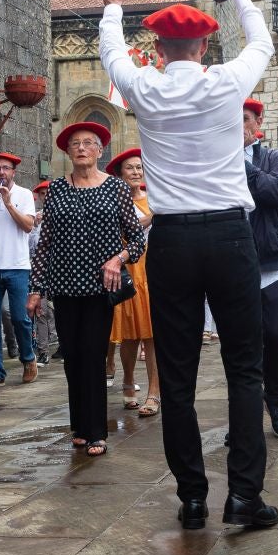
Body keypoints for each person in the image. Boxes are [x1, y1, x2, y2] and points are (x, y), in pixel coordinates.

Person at [98, 0, 278, 530]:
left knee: (176, 377)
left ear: (159, 45)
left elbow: (111, 56)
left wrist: (112, 3)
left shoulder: (144, 85)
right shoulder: (226, 81)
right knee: (243, 370)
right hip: (229, 235)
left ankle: (193, 496)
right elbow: (264, 43)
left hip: (172, 238)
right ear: (203, 45)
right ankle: (244, 495)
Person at [28, 122, 145, 458]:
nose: (81, 148)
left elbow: (136, 240)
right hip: (64, 288)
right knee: (73, 359)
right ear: (67, 152)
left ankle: (96, 431)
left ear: (99, 150)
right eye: (75, 144)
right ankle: (79, 426)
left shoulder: (117, 189)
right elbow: (45, 244)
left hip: (100, 288)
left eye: (88, 143)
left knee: (94, 357)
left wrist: (117, 260)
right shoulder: (57, 191)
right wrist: (36, 289)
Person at [242, 98, 278, 439]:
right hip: (232, 262)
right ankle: (243, 414)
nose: (237, 125)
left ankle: (276, 400)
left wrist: (239, 162)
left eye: (243, 118)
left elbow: (277, 192)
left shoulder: (274, 158)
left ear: (257, 123)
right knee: (242, 344)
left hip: (273, 261)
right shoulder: (215, 161)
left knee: (276, 336)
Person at [106, 147, 160, 416]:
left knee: (152, 336)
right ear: (119, 173)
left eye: (139, 167)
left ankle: (153, 392)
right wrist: (157, 213)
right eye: (130, 168)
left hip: (153, 272)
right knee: (128, 336)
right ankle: (128, 380)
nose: (136, 172)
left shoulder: (152, 198)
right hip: (128, 274)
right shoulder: (114, 202)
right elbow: (132, 228)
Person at [0, 152, 39, 383]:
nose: (1, 172)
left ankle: (28, 358)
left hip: (17, 265)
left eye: (6, 168)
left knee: (19, 317)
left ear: (13, 172)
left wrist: (8, 203)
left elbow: (28, 226)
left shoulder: (24, 194)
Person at [29, 180, 57, 362]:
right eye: (43, 194)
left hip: (59, 269)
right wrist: (33, 227)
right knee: (41, 310)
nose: (46, 198)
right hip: (40, 269)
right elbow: (31, 246)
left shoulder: (62, 214)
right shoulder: (36, 218)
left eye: (49, 194)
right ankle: (43, 351)